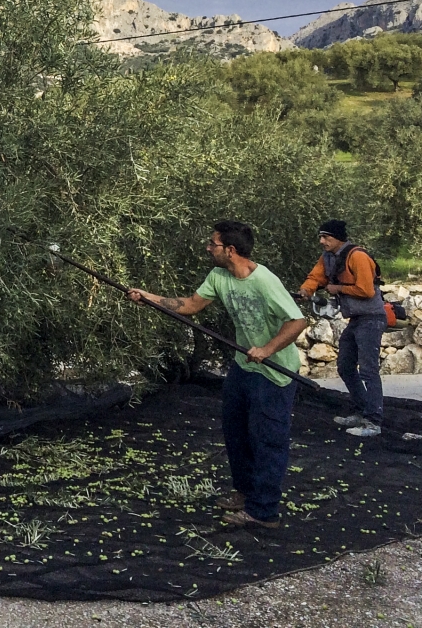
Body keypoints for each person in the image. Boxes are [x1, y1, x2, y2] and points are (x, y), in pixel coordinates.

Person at [127, 219, 307, 529]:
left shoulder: (264, 281)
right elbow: (191, 305)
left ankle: (264, 511)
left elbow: (297, 321)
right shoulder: (218, 276)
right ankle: (245, 492)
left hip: (274, 372)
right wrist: (149, 298)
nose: (208, 248)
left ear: (231, 250)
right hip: (243, 366)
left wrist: (265, 349)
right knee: (235, 432)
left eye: (213, 244)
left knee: (267, 439)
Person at [299, 219, 385, 438]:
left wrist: (337, 288)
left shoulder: (358, 256)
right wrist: (306, 290)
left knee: (368, 371)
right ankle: (361, 410)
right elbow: (315, 276)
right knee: (345, 367)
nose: (322, 241)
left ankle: (373, 421)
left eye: (326, 237)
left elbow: (366, 291)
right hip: (355, 320)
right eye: (321, 236)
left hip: (371, 318)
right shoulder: (327, 257)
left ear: (338, 238)